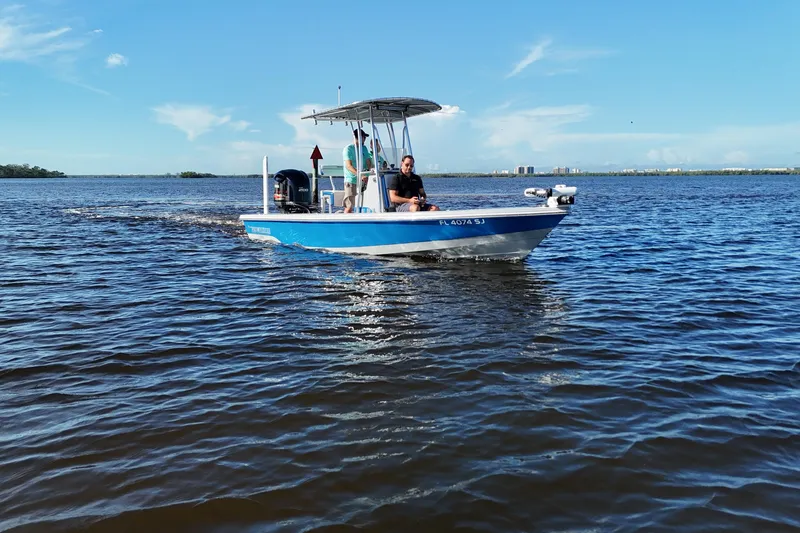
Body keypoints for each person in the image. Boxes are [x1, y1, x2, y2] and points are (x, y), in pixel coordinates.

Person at [342, 128, 373, 213]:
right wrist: (360, 175)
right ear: (359, 137)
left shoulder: (364, 148)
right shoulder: (348, 149)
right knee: (350, 205)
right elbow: (348, 166)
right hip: (351, 180)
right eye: (364, 137)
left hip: (363, 180)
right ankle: (345, 223)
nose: (365, 139)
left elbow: (368, 162)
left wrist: (368, 173)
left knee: (362, 203)